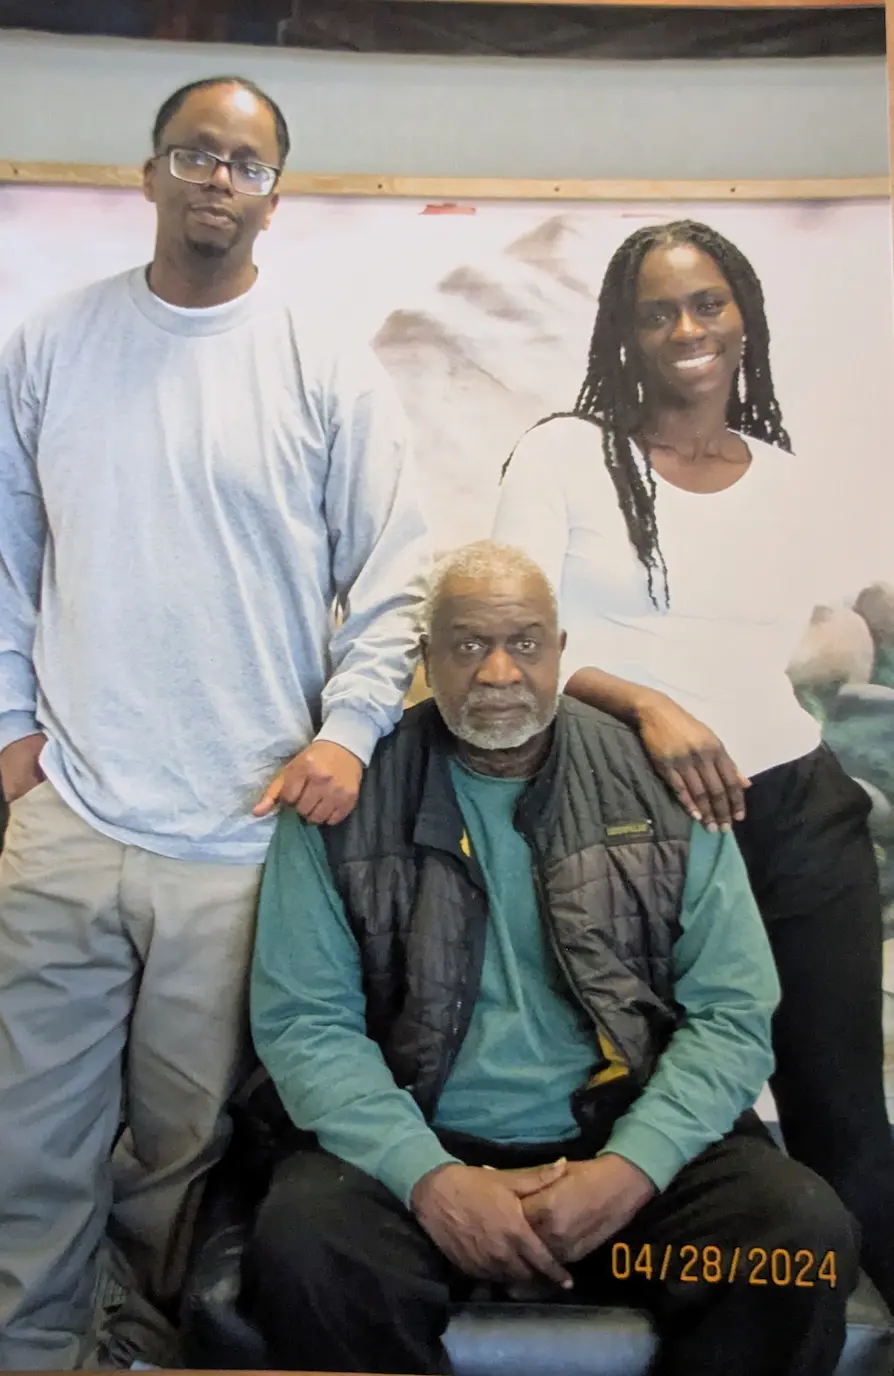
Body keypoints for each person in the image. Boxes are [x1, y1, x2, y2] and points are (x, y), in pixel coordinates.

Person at [0, 75, 428, 1369]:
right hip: (68, 810)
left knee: (177, 1146)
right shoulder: (52, 344)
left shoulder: (321, 370)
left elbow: (395, 570)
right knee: (29, 1128)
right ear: (147, 176)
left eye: (245, 164)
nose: (216, 180)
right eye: (194, 154)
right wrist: (12, 732)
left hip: (238, 841)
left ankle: (129, 1343)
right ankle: (28, 1345)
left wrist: (347, 731)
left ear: (273, 196)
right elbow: (4, 558)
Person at [247, 539, 858, 1376]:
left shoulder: (663, 785)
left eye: (525, 642)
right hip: (419, 1164)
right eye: (468, 645)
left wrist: (630, 1171)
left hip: (626, 1180)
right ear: (427, 659)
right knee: (309, 1247)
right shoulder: (345, 799)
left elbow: (733, 1011)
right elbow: (305, 1024)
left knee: (796, 1238)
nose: (499, 671)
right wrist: (430, 1179)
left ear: (561, 652)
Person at [492, 218, 894, 1312]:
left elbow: (803, 640)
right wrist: (646, 703)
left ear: (745, 317)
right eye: (658, 309)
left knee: (842, 1108)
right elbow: (517, 635)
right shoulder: (567, 452)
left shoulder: (785, 476)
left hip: (794, 813)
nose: (688, 327)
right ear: (623, 331)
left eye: (709, 302)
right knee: (671, 1110)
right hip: (629, 827)